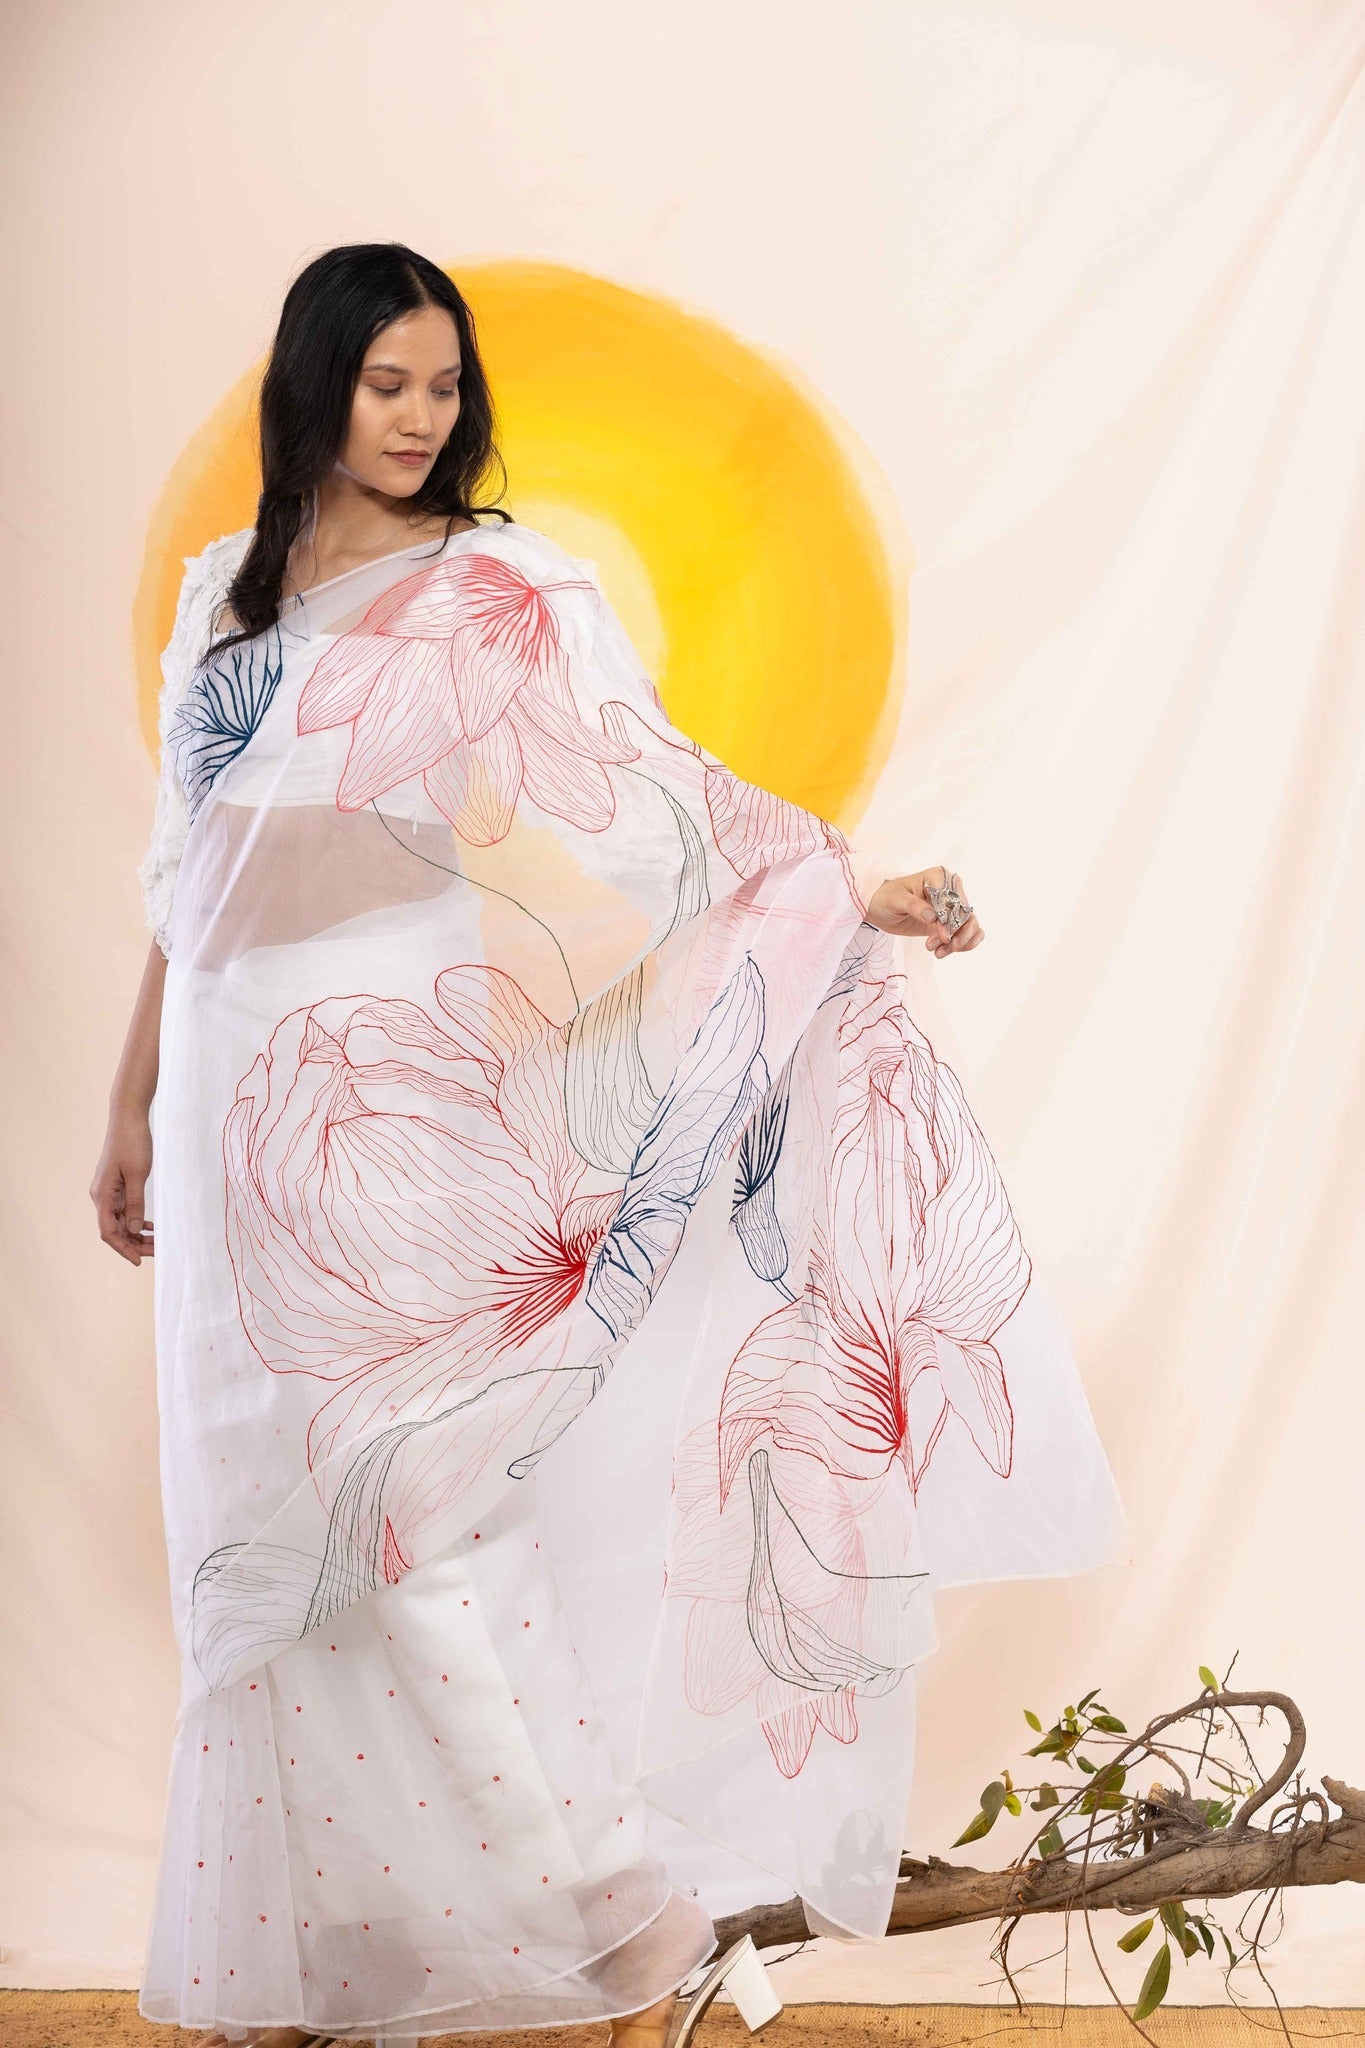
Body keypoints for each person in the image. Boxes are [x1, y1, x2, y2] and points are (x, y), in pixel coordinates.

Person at [92, 243, 1124, 2048]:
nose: (419, 418)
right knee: (252, 1522)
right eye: (386, 383)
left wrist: (849, 887)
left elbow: (656, 792)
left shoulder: (498, 587)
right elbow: (188, 875)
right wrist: (128, 1102)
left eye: (442, 386)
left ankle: (624, 1931)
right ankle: (328, 1959)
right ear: (316, 382)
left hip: (402, 1070)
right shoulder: (225, 598)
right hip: (226, 1088)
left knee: (420, 1513)